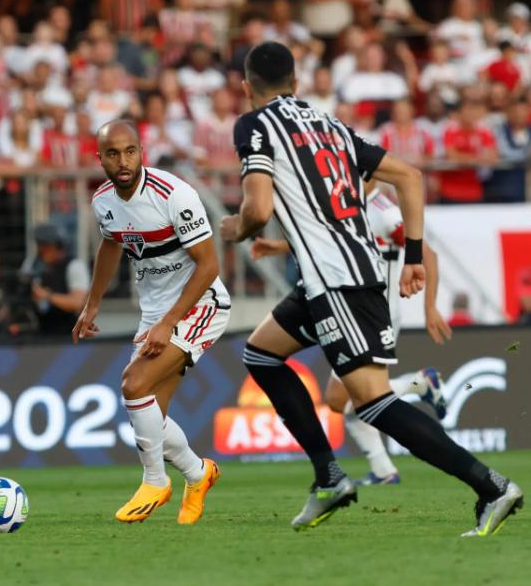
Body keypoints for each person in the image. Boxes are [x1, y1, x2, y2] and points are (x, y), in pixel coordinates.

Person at [220, 42, 521, 536]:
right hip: (343, 273)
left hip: (338, 280)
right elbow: (410, 176)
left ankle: (491, 487)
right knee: (260, 355)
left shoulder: (254, 125)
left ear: (247, 87)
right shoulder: (333, 128)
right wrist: (416, 255)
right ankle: (329, 477)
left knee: (372, 402)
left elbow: (256, 209)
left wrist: (237, 227)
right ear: (296, 83)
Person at [74, 120, 230, 525]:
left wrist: (167, 324)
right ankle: (199, 475)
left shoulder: (174, 194)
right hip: (155, 311)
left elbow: (209, 265)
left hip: (200, 304)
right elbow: (111, 246)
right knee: (151, 420)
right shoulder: (103, 201)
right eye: (113, 153)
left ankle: (155, 481)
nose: (123, 161)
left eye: (130, 151)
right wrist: (92, 305)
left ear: (142, 151)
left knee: (133, 384)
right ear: (101, 158)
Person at [250, 178, 452, 485]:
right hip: (350, 310)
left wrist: (430, 308)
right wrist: (278, 247)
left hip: (373, 315)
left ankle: (420, 385)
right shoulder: (347, 206)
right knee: (343, 403)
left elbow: (428, 254)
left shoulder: (382, 211)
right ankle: (385, 470)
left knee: (354, 399)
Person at [21, 223, 89, 335]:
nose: (41, 250)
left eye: (44, 245)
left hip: (67, 333)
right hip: (38, 331)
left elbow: (78, 303)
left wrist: (47, 296)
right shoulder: (32, 264)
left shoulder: (74, 266)